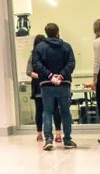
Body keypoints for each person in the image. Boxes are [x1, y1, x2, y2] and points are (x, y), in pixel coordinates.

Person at [33, 23, 76, 151]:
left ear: (46, 33)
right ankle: (67, 140)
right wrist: (61, 76)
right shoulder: (66, 46)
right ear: (58, 32)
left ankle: (48, 140)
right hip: (64, 84)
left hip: (46, 84)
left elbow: (36, 64)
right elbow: (71, 63)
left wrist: (50, 76)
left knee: (47, 111)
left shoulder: (40, 47)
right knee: (65, 112)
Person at [27, 34, 63, 143]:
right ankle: (58, 134)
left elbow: (29, 72)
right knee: (54, 109)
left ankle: (40, 134)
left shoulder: (33, 55)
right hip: (50, 83)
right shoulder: (49, 52)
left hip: (39, 84)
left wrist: (40, 75)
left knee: (40, 110)